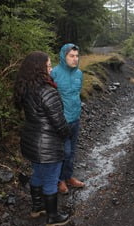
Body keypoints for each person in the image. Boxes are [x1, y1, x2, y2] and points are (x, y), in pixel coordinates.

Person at [14, 51, 71, 226]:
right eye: (48, 66)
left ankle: (37, 207)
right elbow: (59, 122)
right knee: (51, 178)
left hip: (31, 142)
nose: (51, 68)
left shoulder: (26, 88)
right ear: (39, 69)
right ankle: (53, 217)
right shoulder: (47, 91)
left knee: (37, 173)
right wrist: (66, 133)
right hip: (48, 145)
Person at [51, 43, 85, 194]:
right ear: (63, 57)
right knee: (63, 152)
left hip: (75, 119)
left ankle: (69, 176)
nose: (75, 59)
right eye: (71, 56)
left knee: (71, 152)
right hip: (61, 121)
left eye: (77, 56)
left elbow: (77, 94)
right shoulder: (55, 74)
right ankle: (60, 180)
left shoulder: (79, 74)